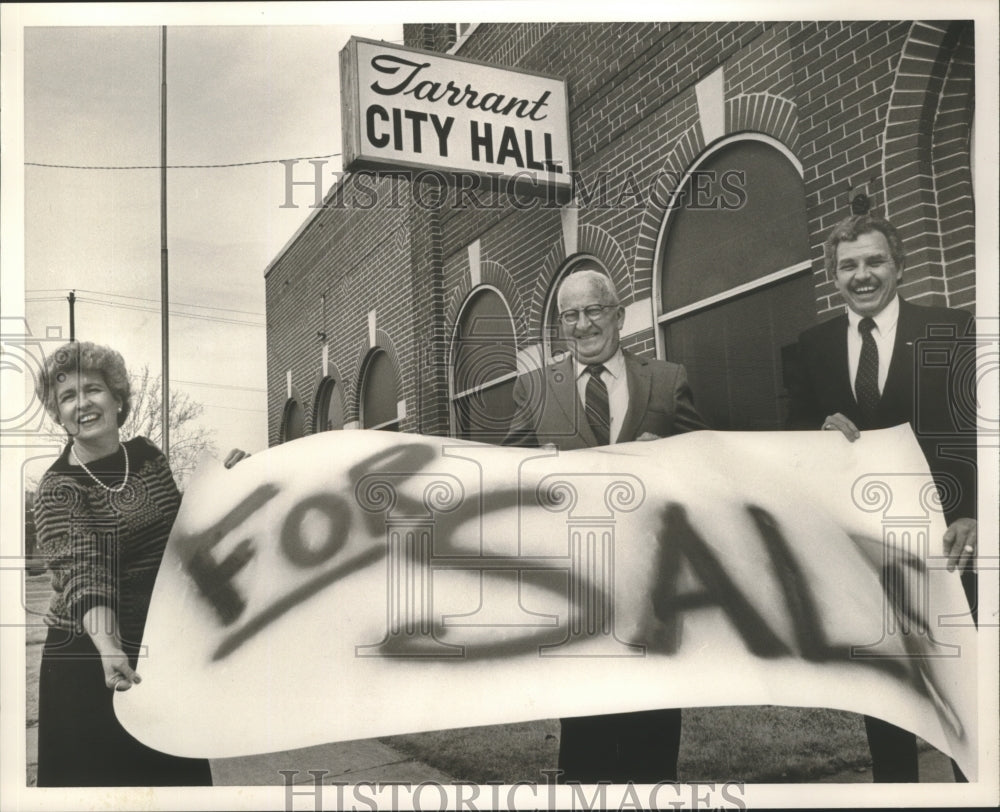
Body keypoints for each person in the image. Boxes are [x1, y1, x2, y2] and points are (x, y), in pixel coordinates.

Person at [786, 212, 978, 782]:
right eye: (848, 266)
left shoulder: (950, 328)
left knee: (962, 691)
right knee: (888, 692)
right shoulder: (812, 346)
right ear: (832, 275)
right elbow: (789, 437)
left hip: (948, 545)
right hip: (862, 552)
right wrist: (814, 433)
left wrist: (972, 512)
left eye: (874, 262)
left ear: (898, 266)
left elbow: (979, 431)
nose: (862, 275)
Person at [503, 267, 707, 783]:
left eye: (594, 310)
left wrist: (668, 460)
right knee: (587, 756)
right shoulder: (534, 391)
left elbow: (706, 468)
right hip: (576, 597)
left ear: (618, 315)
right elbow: (503, 482)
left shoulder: (667, 379)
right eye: (569, 314)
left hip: (652, 594)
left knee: (652, 754)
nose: (582, 324)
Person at [32, 341, 213, 787]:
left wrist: (231, 484)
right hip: (87, 658)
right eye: (67, 397)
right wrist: (109, 646)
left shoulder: (148, 456)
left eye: (91, 389)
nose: (82, 404)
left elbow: (181, 533)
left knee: (177, 784)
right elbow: (84, 573)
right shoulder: (57, 488)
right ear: (58, 414)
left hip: (159, 648)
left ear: (117, 397)